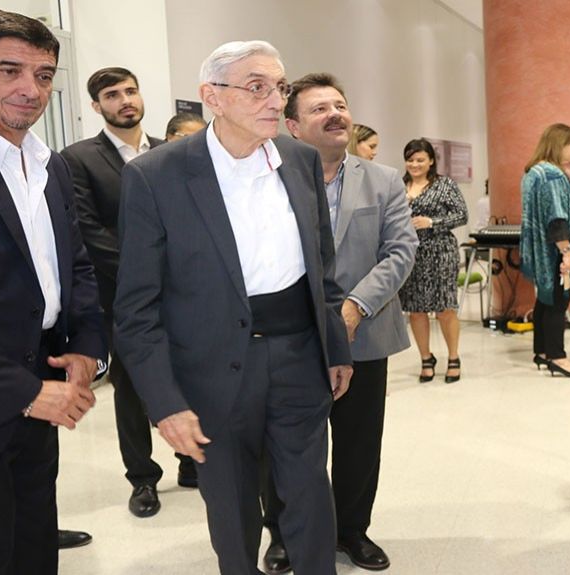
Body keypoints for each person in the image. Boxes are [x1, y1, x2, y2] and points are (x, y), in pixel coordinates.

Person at [114, 40, 353, 575]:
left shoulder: (300, 159)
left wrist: (335, 346)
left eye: (280, 87)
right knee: (232, 504)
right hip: (212, 370)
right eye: (256, 87)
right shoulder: (158, 175)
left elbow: (323, 269)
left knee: (310, 495)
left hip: (299, 356)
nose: (275, 100)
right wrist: (164, 403)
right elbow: (136, 306)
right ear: (212, 97)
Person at [257, 73, 417, 574]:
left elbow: (400, 250)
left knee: (357, 442)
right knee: (282, 443)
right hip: (289, 337)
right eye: (320, 108)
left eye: (340, 105)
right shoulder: (268, 178)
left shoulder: (383, 179)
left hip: (363, 334)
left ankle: (352, 531)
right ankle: (283, 534)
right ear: (292, 125)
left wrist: (353, 307)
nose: (336, 114)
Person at [0, 8, 107, 573]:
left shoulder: (45, 163)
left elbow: (73, 264)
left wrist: (86, 344)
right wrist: (20, 391)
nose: (32, 89)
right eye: (9, 70)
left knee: (31, 542)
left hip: (41, 383)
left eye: (45, 74)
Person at [62, 67, 192, 521]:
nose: (125, 100)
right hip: (120, 297)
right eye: (112, 95)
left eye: (131, 90)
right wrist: (149, 274)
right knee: (133, 388)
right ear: (97, 106)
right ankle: (142, 478)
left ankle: (192, 459)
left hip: (183, 296)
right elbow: (87, 229)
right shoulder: (78, 158)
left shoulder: (169, 152)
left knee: (190, 374)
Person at [520, 123, 570, 377]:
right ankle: (558, 357)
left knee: (544, 299)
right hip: (554, 250)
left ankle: (542, 351)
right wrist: (567, 253)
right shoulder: (552, 176)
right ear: (558, 144)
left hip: (540, 250)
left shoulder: (534, 172)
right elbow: (557, 218)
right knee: (559, 301)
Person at [398, 138, 468, 383]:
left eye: (419, 159)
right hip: (410, 253)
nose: (414, 164)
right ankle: (426, 358)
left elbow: (462, 215)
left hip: (440, 253)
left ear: (430, 161)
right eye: (410, 159)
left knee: (444, 308)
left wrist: (433, 223)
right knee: (416, 310)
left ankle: (453, 357)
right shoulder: (399, 184)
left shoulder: (444, 184)